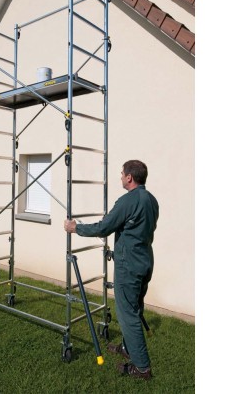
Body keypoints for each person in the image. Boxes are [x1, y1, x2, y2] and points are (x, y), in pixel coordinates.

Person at [64, 159, 159, 380]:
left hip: (129, 266)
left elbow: (104, 227)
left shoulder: (128, 201)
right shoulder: (151, 200)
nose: (120, 177)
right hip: (145, 261)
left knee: (128, 315)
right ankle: (127, 348)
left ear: (129, 177)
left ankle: (142, 368)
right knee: (135, 308)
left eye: (122, 173)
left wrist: (76, 228)